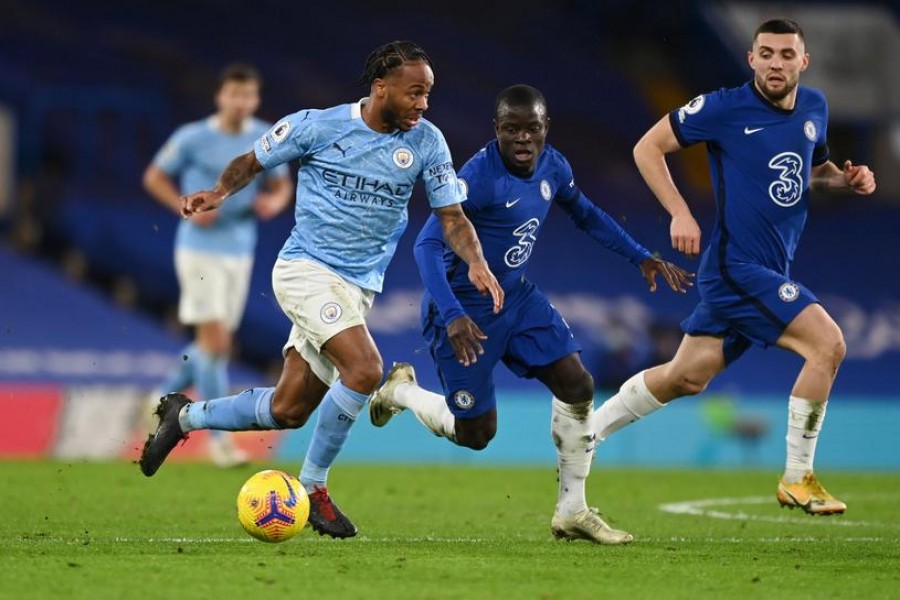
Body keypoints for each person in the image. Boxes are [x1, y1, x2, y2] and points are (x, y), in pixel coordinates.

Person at [139, 41, 504, 539]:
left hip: (357, 289)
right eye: (415, 92)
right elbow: (252, 160)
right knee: (366, 369)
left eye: (428, 94)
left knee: (289, 408)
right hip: (304, 270)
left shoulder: (427, 143)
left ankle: (185, 415)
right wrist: (220, 193)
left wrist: (477, 261)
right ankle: (312, 489)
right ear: (381, 88)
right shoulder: (317, 125)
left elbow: (452, 217)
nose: (423, 104)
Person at [368, 84, 692, 544]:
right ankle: (402, 392)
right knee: (476, 434)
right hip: (463, 312)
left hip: (517, 299)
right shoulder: (476, 179)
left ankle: (572, 510)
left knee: (577, 383)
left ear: (545, 129)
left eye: (532, 129)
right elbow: (426, 245)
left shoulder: (555, 166)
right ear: (495, 130)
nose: (523, 139)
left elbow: (587, 214)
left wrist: (641, 256)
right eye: (511, 129)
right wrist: (454, 313)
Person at [592, 18, 876, 516]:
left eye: (786, 55)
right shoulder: (724, 107)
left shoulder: (814, 108)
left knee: (686, 377)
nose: (775, 63)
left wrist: (847, 181)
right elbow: (647, 147)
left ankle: (583, 434)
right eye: (765, 53)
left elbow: (811, 176)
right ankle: (798, 478)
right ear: (751, 58)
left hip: (772, 268)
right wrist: (679, 211)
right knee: (827, 344)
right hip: (736, 267)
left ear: (803, 63)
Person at [142, 63, 293, 468]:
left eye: (249, 95)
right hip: (199, 249)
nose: (241, 102)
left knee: (214, 343)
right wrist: (180, 206)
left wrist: (273, 202)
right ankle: (218, 442)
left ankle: (160, 396)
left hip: (240, 251)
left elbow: (282, 186)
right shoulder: (193, 137)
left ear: (256, 99)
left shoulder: (264, 138)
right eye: (234, 94)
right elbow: (155, 176)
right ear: (220, 96)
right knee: (218, 343)